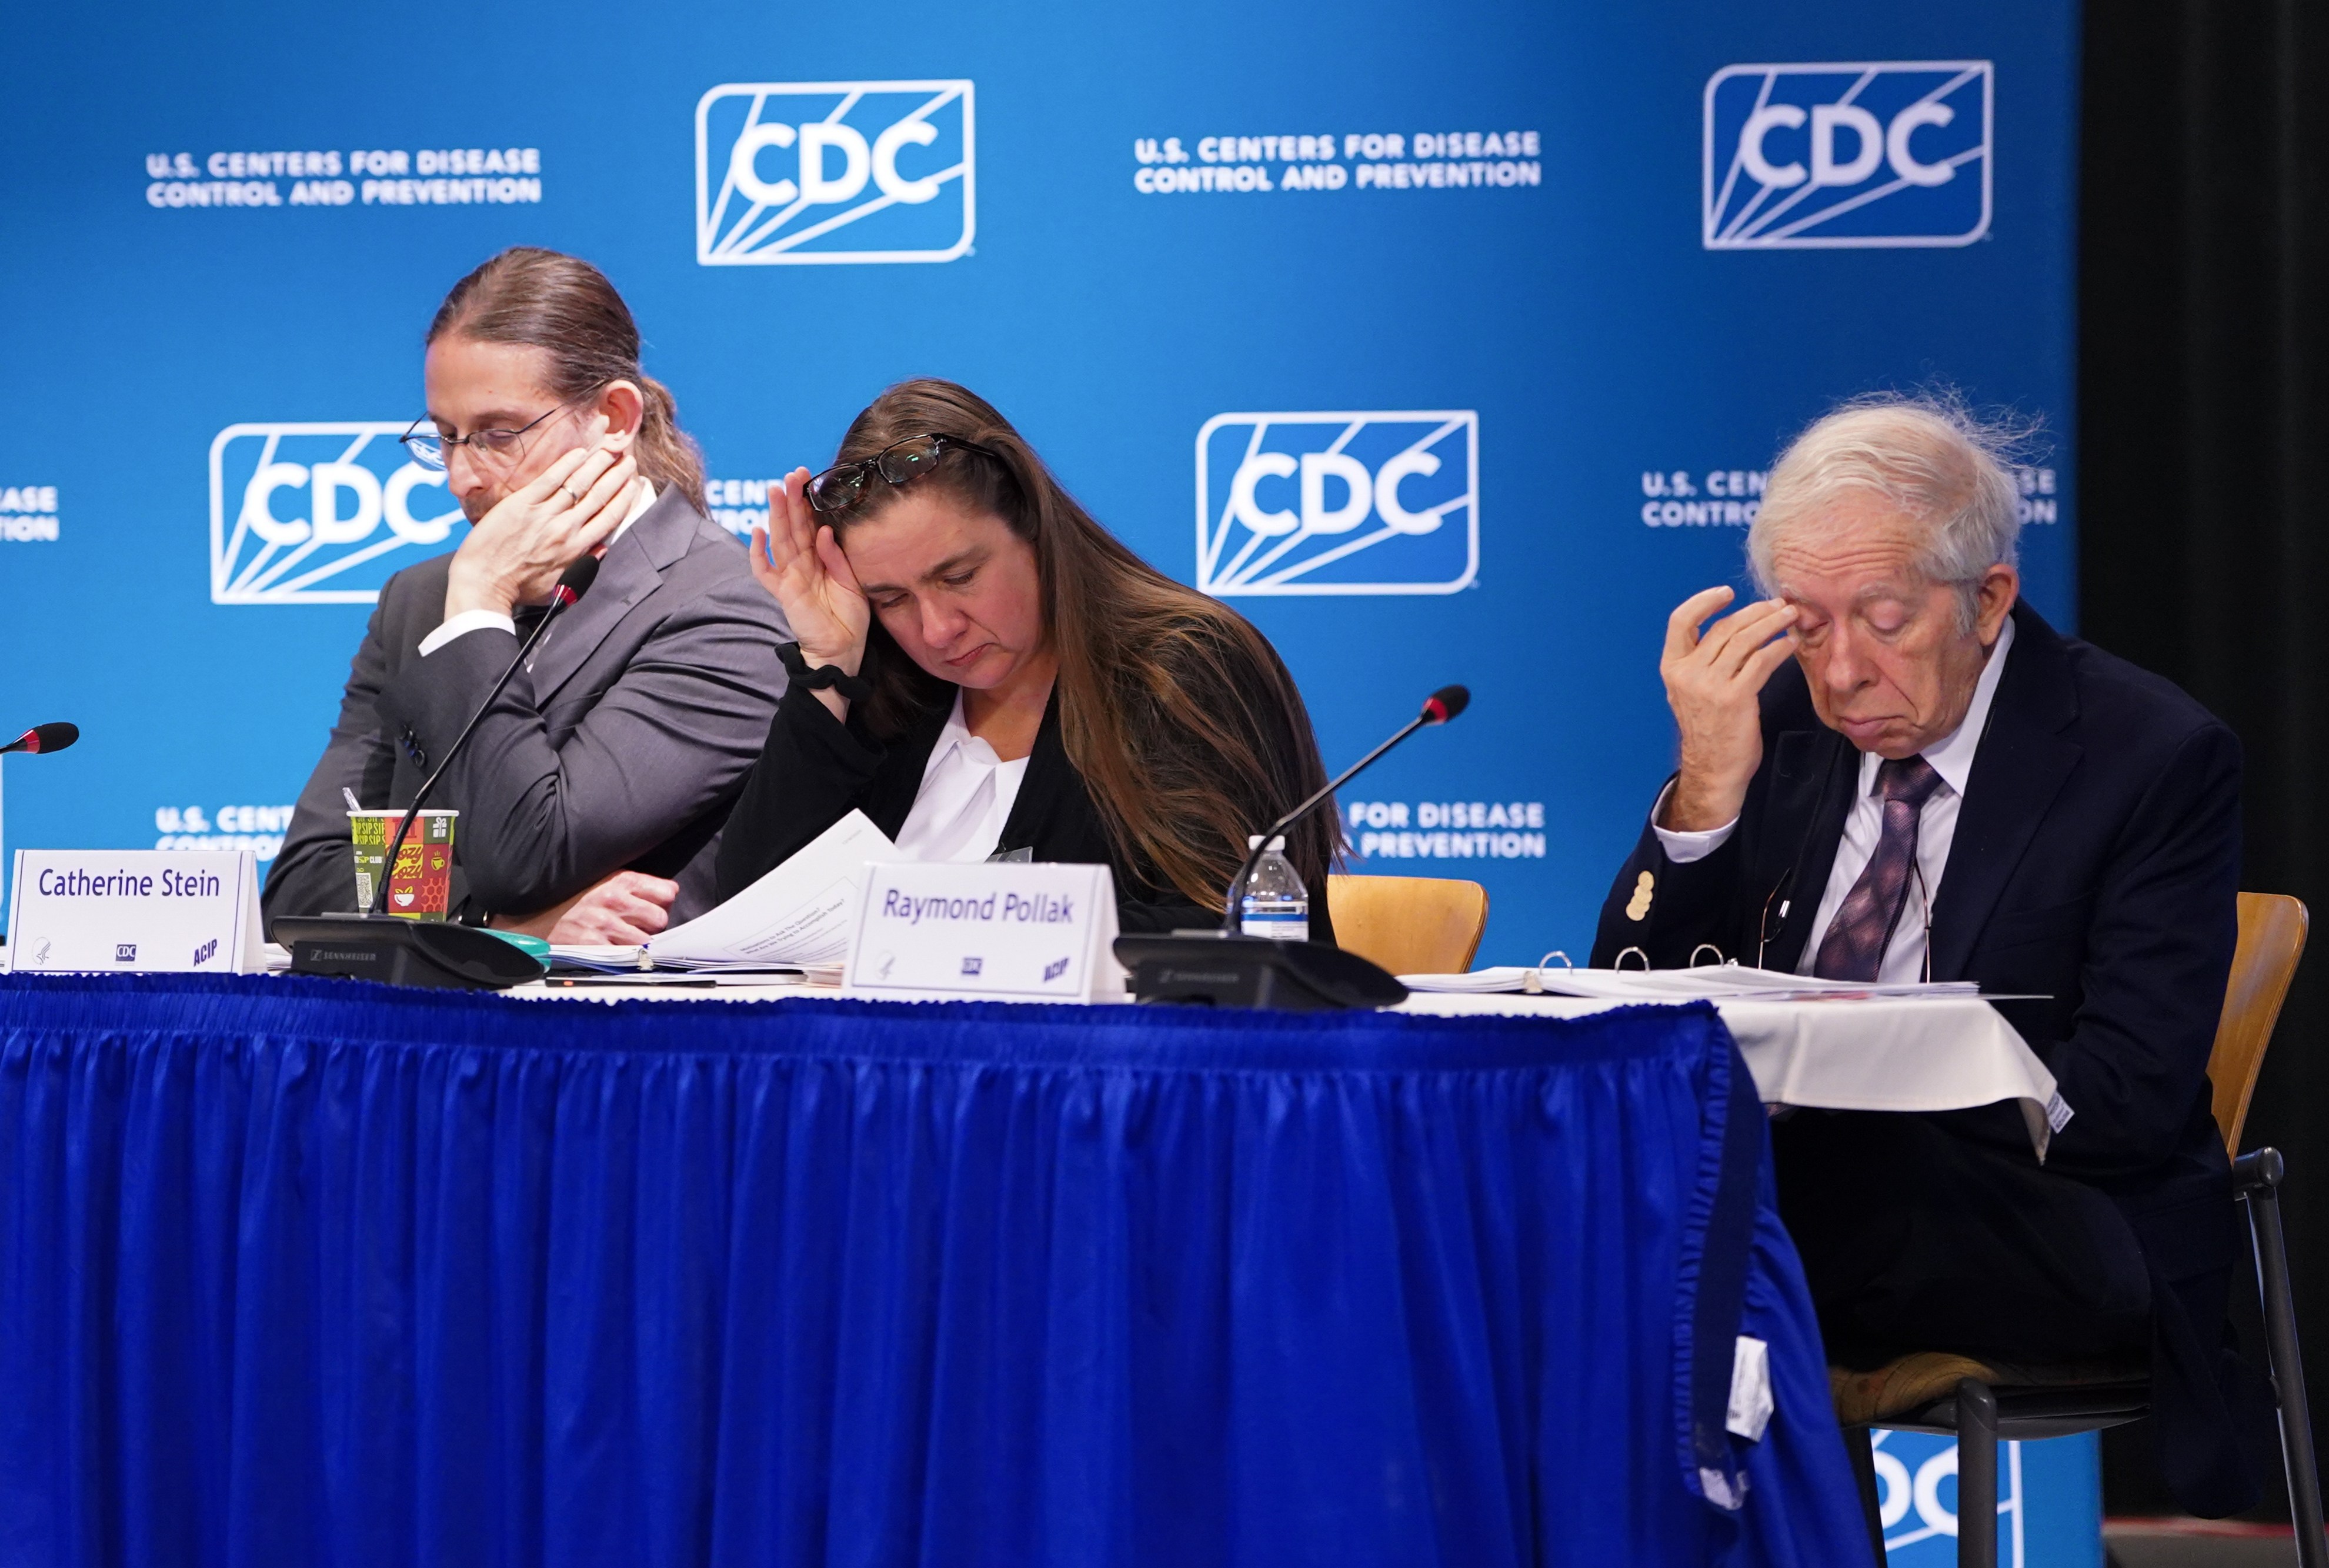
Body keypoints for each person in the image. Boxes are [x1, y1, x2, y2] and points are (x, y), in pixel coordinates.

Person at [1590, 396, 2255, 1515]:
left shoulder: (2149, 755)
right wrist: (1705, 788)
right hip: (1806, 1208)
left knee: (1706, 1222)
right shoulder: (1781, 724)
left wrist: (1884, 1079)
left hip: (2051, 1216)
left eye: (1885, 621)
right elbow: (1634, 1005)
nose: (1842, 672)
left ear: (1987, 599)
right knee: (1635, 1193)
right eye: (1806, 626)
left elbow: (2131, 1098)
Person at [263, 248, 789, 942]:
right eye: (446, 437)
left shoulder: (728, 607)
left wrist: (480, 603)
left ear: (614, 417)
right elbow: (303, 884)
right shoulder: (419, 600)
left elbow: (529, 855)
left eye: (497, 434)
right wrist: (497, 923)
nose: (462, 477)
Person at [716, 378, 1339, 939]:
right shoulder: (882, 686)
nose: (938, 630)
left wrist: (961, 923)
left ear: (1035, 526)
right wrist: (826, 664)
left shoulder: (1184, 666)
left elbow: (1240, 926)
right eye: (892, 599)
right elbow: (748, 915)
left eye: (959, 576)